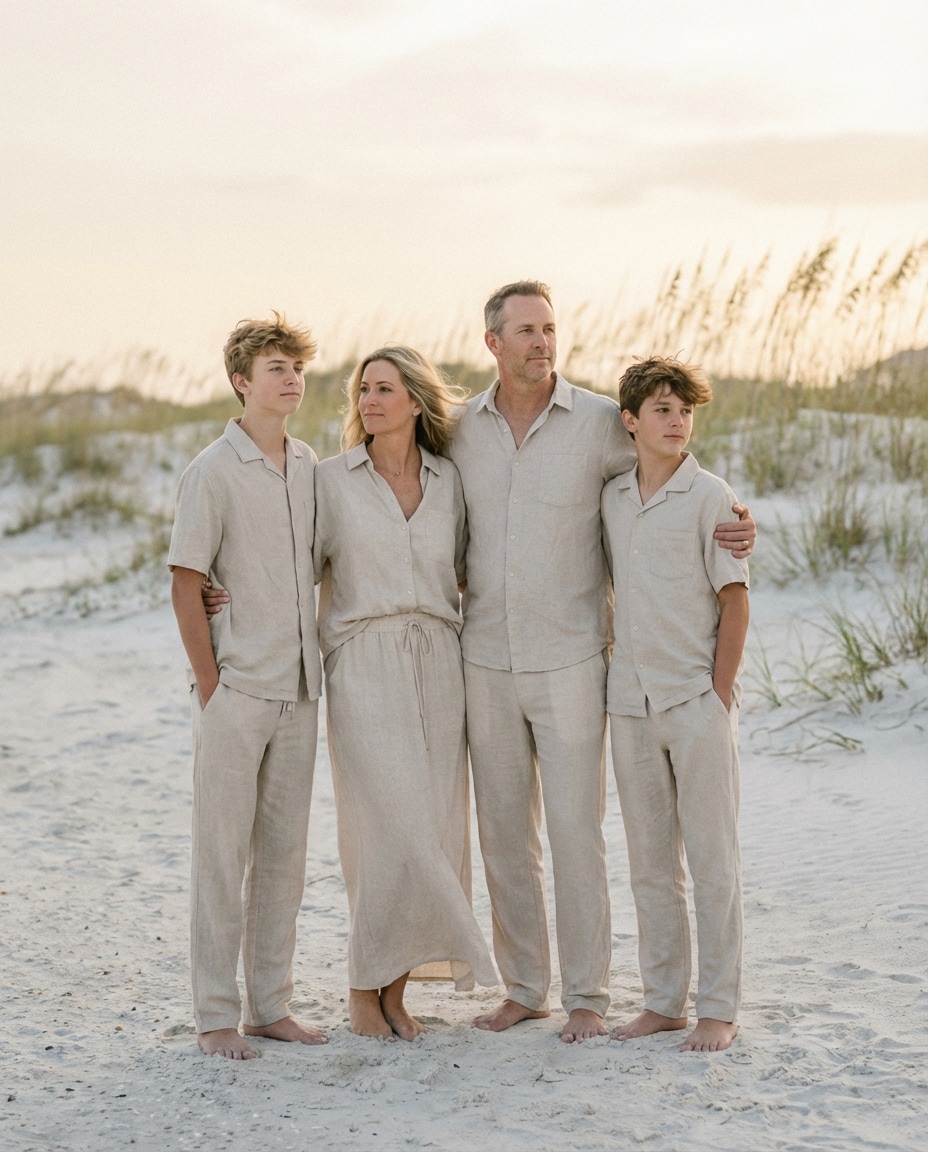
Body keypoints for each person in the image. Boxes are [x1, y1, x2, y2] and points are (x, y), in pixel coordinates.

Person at [449, 282, 756, 1043]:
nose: (541, 342)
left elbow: (673, 463)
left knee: (576, 834)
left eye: (549, 328)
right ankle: (527, 988)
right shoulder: (460, 431)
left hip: (576, 661)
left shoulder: (595, 421)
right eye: (526, 330)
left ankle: (587, 994)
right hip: (487, 658)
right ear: (493, 342)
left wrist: (739, 520)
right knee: (504, 837)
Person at [312, 345, 498, 1039]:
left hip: (441, 661)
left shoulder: (450, 481)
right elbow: (294, 564)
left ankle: (395, 990)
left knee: (432, 826)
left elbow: (473, 565)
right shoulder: (330, 481)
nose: (368, 401)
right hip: (363, 660)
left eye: (384, 389)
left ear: (416, 402)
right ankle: (363, 988)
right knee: (385, 829)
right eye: (363, 390)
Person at [168, 314, 327, 1060]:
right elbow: (186, 581)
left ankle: (270, 1006)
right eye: (276, 369)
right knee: (222, 855)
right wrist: (211, 686)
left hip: (300, 688)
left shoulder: (309, 464)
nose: (292, 380)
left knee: (283, 858)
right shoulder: (212, 470)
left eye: (297, 368)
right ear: (242, 381)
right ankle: (214, 1016)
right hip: (236, 689)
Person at [602, 356, 749, 1053]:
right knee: (651, 865)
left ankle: (718, 1007)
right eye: (662, 409)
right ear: (630, 421)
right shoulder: (611, 496)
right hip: (629, 702)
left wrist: (717, 695)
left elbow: (735, 601)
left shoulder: (711, 496)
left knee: (713, 861)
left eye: (685, 411)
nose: (677, 421)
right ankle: (663, 1001)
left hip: (695, 702)